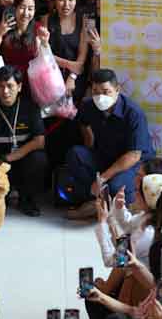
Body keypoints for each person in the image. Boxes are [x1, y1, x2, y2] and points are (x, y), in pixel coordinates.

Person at [66, 68, 155, 219]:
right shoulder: (89, 106)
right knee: (75, 155)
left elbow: (134, 155)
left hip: (132, 163)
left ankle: (114, 208)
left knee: (116, 187)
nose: (100, 97)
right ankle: (95, 202)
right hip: (105, 155)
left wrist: (102, 178)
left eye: (106, 91)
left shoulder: (133, 113)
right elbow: (83, 123)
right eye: (95, 91)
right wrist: (90, 142)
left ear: (117, 90)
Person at [0, 65, 47, 217]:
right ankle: (2, 196)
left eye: (10, 86)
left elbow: (40, 141)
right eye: (1, 86)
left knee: (39, 159)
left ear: (19, 87)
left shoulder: (30, 107)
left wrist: (6, 159)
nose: (5, 91)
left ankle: (26, 198)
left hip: (18, 160)